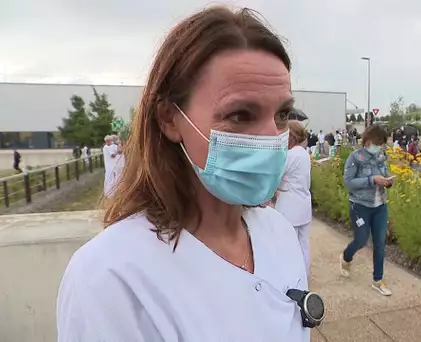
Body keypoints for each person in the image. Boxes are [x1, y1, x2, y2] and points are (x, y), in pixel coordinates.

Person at [57, 7, 314, 341]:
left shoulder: (278, 234)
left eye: (282, 114)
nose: (272, 139)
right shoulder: (110, 279)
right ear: (169, 119)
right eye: (239, 115)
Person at [339, 124, 393, 296]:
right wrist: (372, 180)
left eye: (383, 144)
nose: (380, 147)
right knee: (361, 239)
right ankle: (346, 257)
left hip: (380, 205)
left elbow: (385, 173)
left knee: (379, 243)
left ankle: (378, 280)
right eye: (379, 143)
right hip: (360, 205)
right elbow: (348, 183)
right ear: (368, 140)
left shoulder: (381, 156)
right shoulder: (355, 158)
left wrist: (387, 181)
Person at [275, 120, 313, 272]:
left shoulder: (290, 155)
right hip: (303, 203)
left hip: (289, 205)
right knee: (303, 243)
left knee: (289, 244)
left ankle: (292, 275)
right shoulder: (303, 153)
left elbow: (276, 175)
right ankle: (304, 273)